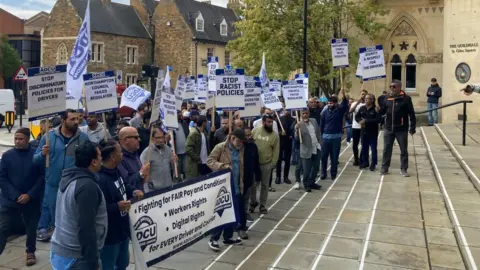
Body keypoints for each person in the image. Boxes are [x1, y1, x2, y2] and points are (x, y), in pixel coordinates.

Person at [50, 141, 107, 270]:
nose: (101, 159)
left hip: (62, 250)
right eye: (99, 156)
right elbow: (86, 227)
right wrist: (93, 262)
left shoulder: (69, 177)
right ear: (93, 161)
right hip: (78, 256)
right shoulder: (87, 187)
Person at [34, 109, 89, 242]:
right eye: (72, 119)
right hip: (53, 184)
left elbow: (88, 161)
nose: (76, 122)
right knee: (55, 215)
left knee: (71, 215)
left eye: (77, 119)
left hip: (73, 185)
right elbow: (35, 160)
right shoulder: (49, 137)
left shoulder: (83, 138)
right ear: (63, 120)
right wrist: (42, 154)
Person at [0, 128, 44, 266]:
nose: (18, 142)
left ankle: (30, 251)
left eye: (21, 139)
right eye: (16, 139)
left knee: (31, 227)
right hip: (10, 200)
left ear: (27, 140)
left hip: (31, 199)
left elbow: (42, 177)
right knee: (3, 227)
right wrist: (15, 195)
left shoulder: (36, 155)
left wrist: (30, 195)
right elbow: (2, 178)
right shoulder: (7, 156)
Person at [97, 139, 143, 270]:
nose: (122, 154)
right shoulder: (100, 179)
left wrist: (133, 191)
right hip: (110, 236)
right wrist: (117, 207)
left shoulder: (116, 170)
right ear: (112, 157)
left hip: (122, 230)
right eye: (120, 152)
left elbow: (123, 186)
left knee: (123, 263)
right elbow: (97, 209)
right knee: (108, 265)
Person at [206, 128, 246, 251]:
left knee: (232, 214)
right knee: (222, 212)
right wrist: (222, 166)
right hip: (223, 186)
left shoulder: (241, 149)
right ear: (232, 138)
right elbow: (209, 161)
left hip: (236, 185)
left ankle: (227, 237)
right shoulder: (221, 147)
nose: (240, 144)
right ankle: (214, 238)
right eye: (239, 141)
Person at [379, 80, 416, 176]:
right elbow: (383, 111)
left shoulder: (406, 99)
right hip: (388, 128)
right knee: (387, 149)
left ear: (399, 87)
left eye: (394, 87)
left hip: (401, 129)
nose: (392, 88)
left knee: (403, 150)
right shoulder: (387, 98)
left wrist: (412, 127)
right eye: (390, 86)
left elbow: (411, 113)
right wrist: (378, 109)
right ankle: (384, 168)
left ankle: (404, 169)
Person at [250, 113, 279, 214]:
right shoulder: (255, 130)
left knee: (265, 185)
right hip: (254, 164)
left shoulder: (275, 135)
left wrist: (273, 164)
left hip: (266, 164)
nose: (270, 124)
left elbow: (276, 150)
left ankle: (262, 205)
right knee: (253, 185)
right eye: (268, 122)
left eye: (271, 122)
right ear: (263, 122)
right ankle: (253, 203)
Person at [320, 89, 348, 180]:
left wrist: (343, 95)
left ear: (336, 103)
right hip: (325, 138)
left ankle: (333, 173)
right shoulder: (324, 113)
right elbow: (322, 124)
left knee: (334, 157)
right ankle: (323, 173)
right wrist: (321, 136)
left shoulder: (339, 111)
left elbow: (344, 104)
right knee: (324, 157)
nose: (329, 104)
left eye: (331, 103)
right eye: (328, 103)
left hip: (336, 138)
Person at [295, 110, 322, 192]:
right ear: (301, 115)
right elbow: (297, 138)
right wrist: (297, 130)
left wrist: (321, 143)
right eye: (303, 113)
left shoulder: (314, 120)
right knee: (306, 169)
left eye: (306, 113)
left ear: (309, 114)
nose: (305, 115)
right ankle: (306, 184)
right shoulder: (299, 125)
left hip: (316, 147)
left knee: (316, 167)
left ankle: (312, 182)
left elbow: (318, 132)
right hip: (306, 150)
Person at [117, 127, 151, 191]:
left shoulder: (134, 153)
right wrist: (141, 173)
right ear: (126, 140)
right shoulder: (119, 158)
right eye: (136, 137)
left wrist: (144, 177)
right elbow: (125, 183)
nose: (139, 139)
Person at [241, 127, 261, 228]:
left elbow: (256, 162)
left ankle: (245, 214)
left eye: (250, 135)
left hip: (249, 177)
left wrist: (258, 176)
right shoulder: (239, 147)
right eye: (247, 135)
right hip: (240, 178)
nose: (249, 137)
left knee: (246, 198)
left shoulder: (253, 146)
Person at [356, 94, 381, 171]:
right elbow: (357, 116)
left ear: (372, 100)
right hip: (364, 131)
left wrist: (366, 121)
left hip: (372, 132)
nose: (366, 100)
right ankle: (365, 162)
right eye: (365, 98)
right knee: (364, 148)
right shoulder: (362, 108)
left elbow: (378, 120)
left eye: (368, 98)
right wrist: (360, 121)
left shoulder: (375, 109)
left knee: (373, 149)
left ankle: (373, 164)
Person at [349, 90, 367, 166]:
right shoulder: (354, 103)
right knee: (355, 144)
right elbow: (350, 111)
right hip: (355, 126)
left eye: (364, 95)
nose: (363, 96)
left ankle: (362, 158)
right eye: (362, 94)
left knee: (364, 144)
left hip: (364, 127)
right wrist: (357, 102)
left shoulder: (367, 104)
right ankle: (356, 159)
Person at [275, 110, 294, 184]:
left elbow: (293, 130)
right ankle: (278, 177)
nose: (287, 111)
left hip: (288, 142)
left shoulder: (293, 119)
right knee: (278, 159)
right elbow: (276, 130)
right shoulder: (279, 119)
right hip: (280, 141)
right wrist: (280, 132)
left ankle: (286, 177)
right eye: (285, 110)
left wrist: (291, 135)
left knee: (287, 160)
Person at [172, 111, 189, 179]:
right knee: (177, 173)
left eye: (179, 113)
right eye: (177, 113)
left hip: (185, 152)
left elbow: (188, 135)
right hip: (176, 154)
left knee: (186, 171)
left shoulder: (184, 123)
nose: (179, 114)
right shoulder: (170, 126)